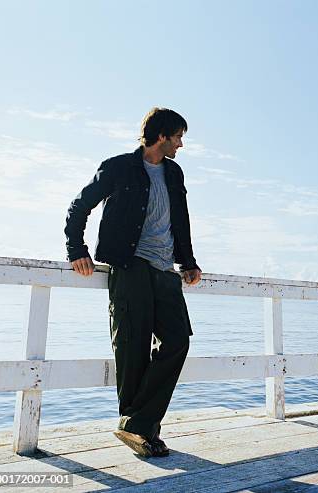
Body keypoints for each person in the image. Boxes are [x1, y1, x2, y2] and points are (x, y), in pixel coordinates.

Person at [64, 107, 201, 457]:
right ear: (161, 136)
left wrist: (188, 261)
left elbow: (180, 220)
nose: (181, 145)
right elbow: (79, 206)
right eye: (178, 137)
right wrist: (76, 250)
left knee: (177, 340)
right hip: (130, 264)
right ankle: (144, 431)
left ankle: (136, 425)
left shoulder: (174, 173)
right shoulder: (118, 167)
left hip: (165, 268)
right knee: (132, 345)